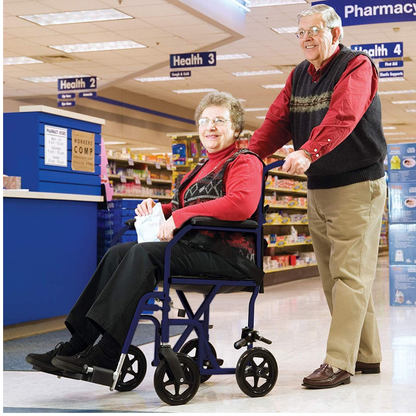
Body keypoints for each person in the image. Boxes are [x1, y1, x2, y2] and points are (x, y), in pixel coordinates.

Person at [26, 91, 264, 375]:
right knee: (116, 253)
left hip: (227, 257)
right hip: (192, 249)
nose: (209, 126)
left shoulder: (245, 161)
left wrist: (178, 216)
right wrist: (158, 209)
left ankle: (110, 350)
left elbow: (241, 204)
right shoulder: (200, 167)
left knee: (144, 254)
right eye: (204, 120)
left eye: (219, 120)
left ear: (236, 128)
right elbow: (182, 205)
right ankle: (79, 341)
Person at [248, 4, 387, 389]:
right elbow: (277, 120)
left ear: (335, 33)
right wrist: (249, 155)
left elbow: (344, 113)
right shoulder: (298, 76)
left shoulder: (356, 65)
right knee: (336, 279)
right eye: (301, 32)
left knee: (350, 277)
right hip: (320, 187)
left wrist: (308, 151)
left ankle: (339, 361)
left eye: (314, 30)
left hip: (357, 185)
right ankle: (367, 354)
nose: (307, 38)